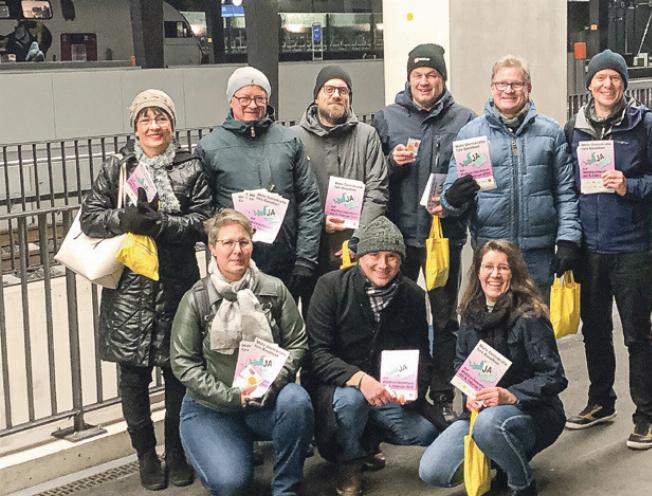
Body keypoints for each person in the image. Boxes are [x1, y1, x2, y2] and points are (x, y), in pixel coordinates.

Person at [80, 89, 212, 490]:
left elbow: (203, 221)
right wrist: (126, 219)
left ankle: (176, 451)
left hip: (177, 289)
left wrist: (162, 227)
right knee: (133, 381)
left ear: (172, 123)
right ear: (135, 125)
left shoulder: (191, 168)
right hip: (129, 294)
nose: (154, 126)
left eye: (161, 118)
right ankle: (144, 455)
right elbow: (89, 218)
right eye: (146, 119)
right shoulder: (118, 167)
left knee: (179, 377)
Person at [563, 49, 652, 450]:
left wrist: (630, 186)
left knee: (637, 335)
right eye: (600, 78)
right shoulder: (575, 128)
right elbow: (567, 184)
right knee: (595, 332)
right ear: (589, 85)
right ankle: (601, 401)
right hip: (589, 250)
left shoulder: (646, 124)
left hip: (632, 248)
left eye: (615, 78)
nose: (607, 84)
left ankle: (645, 416)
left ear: (624, 83)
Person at [171, 209, 314, 496]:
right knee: (231, 484)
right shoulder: (196, 299)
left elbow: (298, 343)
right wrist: (233, 397)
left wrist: (271, 383)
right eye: (227, 243)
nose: (237, 250)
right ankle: (228, 451)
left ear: (252, 244)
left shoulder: (273, 289)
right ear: (212, 248)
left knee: (296, 401)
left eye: (243, 242)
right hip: (212, 409)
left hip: (266, 402)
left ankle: (286, 488)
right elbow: (183, 363)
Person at [372, 43, 476, 420]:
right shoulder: (386, 118)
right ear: (408, 79)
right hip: (399, 240)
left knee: (446, 318)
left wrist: (453, 205)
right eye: (418, 75)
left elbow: (472, 178)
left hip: (443, 237)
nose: (424, 81)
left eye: (432, 74)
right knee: (396, 318)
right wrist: (392, 164)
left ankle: (443, 393)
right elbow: (374, 179)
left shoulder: (466, 119)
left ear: (442, 79)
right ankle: (401, 390)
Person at [419, 240, 568, 496]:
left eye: (503, 268)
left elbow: (554, 376)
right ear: (478, 272)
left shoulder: (530, 316)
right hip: (480, 414)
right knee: (432, 469)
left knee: (489, 425)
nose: (495, 274)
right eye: (488, 267)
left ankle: (522, 484)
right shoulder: (469, 313)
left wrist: (512, 395)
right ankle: (501, 462)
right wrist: (469, 394)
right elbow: (460, 363)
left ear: (515, 273)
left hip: (534, 413)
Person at [305, 216, 440, 496]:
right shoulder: (330, 286)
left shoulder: (412, 295)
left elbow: (422, 355)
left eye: (392, 256)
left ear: (401, 260)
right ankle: (349, 460)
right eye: (374, 255)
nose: (383, 264)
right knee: (351, 402)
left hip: (385, 391)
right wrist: (358, 379)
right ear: (359, 257)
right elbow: (317, 355)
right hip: (339, 392)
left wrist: (413, 389)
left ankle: (367, 441)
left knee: (426, 432)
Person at [440, 55, 582, 299]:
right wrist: (452, 198)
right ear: (492, 88)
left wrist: (568, 240)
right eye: (501, 84)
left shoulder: (551, 133)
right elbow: (450, 200)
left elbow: (566, 193)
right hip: (491, 254)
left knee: (537, 328)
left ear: (528, 88)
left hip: (538, 254)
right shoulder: (470, 134)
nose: (508, 90)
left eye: (516, 84)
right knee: (493, 329)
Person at [196, 66, 323, 303]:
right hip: (234, 266)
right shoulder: (210, 147)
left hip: (285, 263)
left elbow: (309, 201)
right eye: (244, 98)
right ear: (231, 100)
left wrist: (305, 259)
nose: (252, 105)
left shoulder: (289, 141)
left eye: (259, 98)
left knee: (283, 334)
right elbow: (204, 210)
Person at [291, 65, 388, 280]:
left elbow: (377, 191)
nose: (336, 95)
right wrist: (318, 222)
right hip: (310, 250)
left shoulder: (367, 136)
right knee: (315, 311)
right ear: (316, 97)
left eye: (343, 91)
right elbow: (289, 194)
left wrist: (358, 240)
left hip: (355, 248)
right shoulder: (293, 138)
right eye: (329, 89)